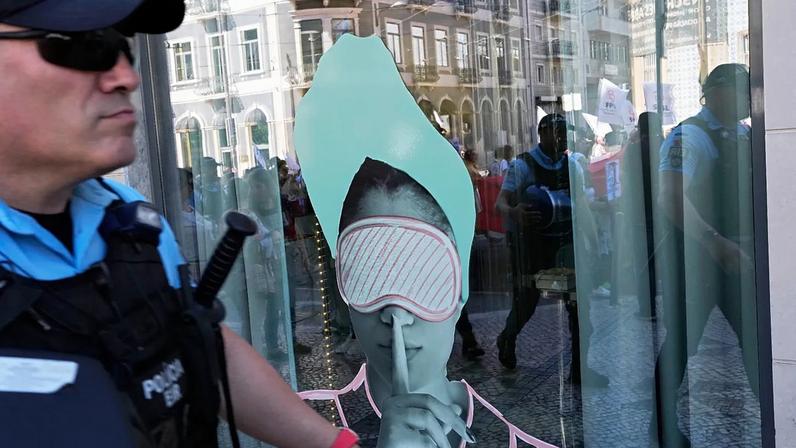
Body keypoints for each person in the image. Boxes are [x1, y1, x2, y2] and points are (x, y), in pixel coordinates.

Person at [0, 1, 358, 447]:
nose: (125, 77)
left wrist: (337, 444)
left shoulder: (128, 219)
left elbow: (198, 344)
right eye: (82, 47)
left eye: (121, 48)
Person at [652, 63, 757, 448]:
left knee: (755, 340)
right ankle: (661, 426)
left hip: (737, 258)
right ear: (714, 92)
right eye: (742, 88)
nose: (749, 95)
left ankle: (773, 414)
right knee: (681, 344)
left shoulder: (744, 134)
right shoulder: (690, 137)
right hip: (699, 261)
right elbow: (671, 198)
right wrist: (716, 244)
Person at [495, 114, 608, 387]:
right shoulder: (523, 165)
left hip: (565, 245)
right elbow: (500, 204)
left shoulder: (573, 167)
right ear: (541, 134)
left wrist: (594, 245)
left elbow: (582, 208)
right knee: (527, 304)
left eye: (564, 134)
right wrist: (515, 212)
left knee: (580, 308)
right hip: (532, 247)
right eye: (556, 133)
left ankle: (580, 370)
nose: (561, 140)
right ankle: (507, 338)